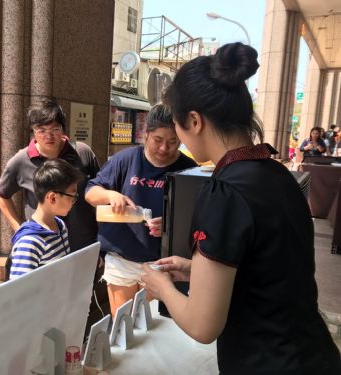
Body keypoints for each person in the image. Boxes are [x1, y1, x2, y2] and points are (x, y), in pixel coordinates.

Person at [141, 42, 341, 374]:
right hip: (314, 354)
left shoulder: (222, 191)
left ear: (194, 120)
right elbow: (272, 267)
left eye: (176, 125)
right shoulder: (277, 174)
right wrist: (196, 271)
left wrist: (161, 286)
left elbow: (203, 326)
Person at [85, 103, 197, 317]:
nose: (164, 148)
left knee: (151, 329)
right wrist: (111, 195)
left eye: (173, 142)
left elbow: (198, 219)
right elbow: (90, 193)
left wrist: (171, 225)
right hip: (122, 258)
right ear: (146, 134)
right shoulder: (126, 160)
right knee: (122, 325)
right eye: (158, 140)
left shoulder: (189, 170)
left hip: (162, 263)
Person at [0, 97, 99, 252]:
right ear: (33, 132)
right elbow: (1, 194)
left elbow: (99, 190)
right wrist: (19, 229)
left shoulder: (82, 152)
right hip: (44, 249)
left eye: (55, 129)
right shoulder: (21, 160)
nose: (48, 136)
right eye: (41, 130)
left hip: (83, 244)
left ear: (63, 129)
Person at [9, 159, 82, 280]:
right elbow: (19, 292)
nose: (74, 201)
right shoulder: (29, 242)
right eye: (72, 196)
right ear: (52, 198)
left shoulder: (60, 225)